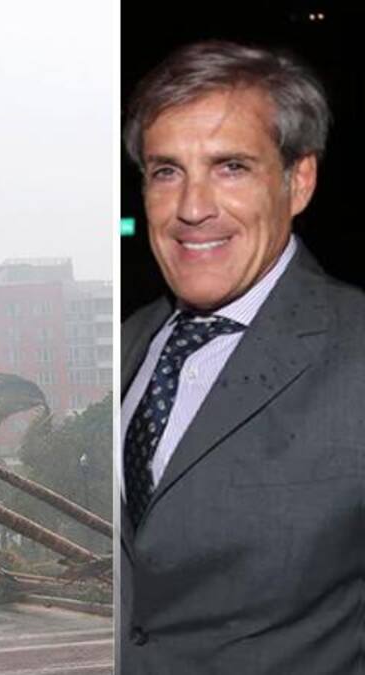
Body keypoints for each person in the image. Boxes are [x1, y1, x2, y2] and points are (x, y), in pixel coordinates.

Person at [121, 40, 365, 673]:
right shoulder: (121, 349)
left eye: (231, 167)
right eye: (166, 170)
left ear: (298, 180)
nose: (192, 208)